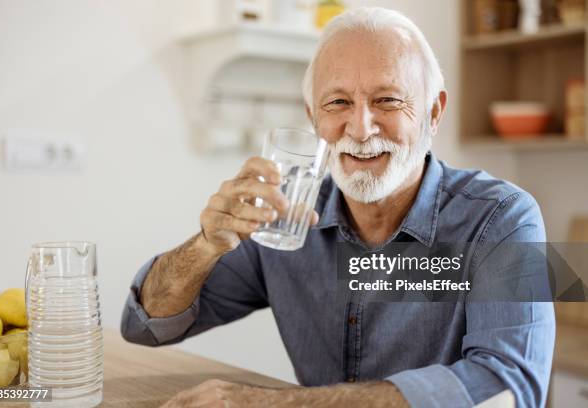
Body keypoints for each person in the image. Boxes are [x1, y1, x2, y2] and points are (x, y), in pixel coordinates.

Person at [121, 7, 555, 408]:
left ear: (433, 112)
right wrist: (205, 246)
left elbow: (509, 388)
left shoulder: (506, 217)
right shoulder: (285, 217)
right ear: (314, 119)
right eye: (338, 103)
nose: (361, 128)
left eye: (387, 100)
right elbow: (145, 326)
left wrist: (275, 404)